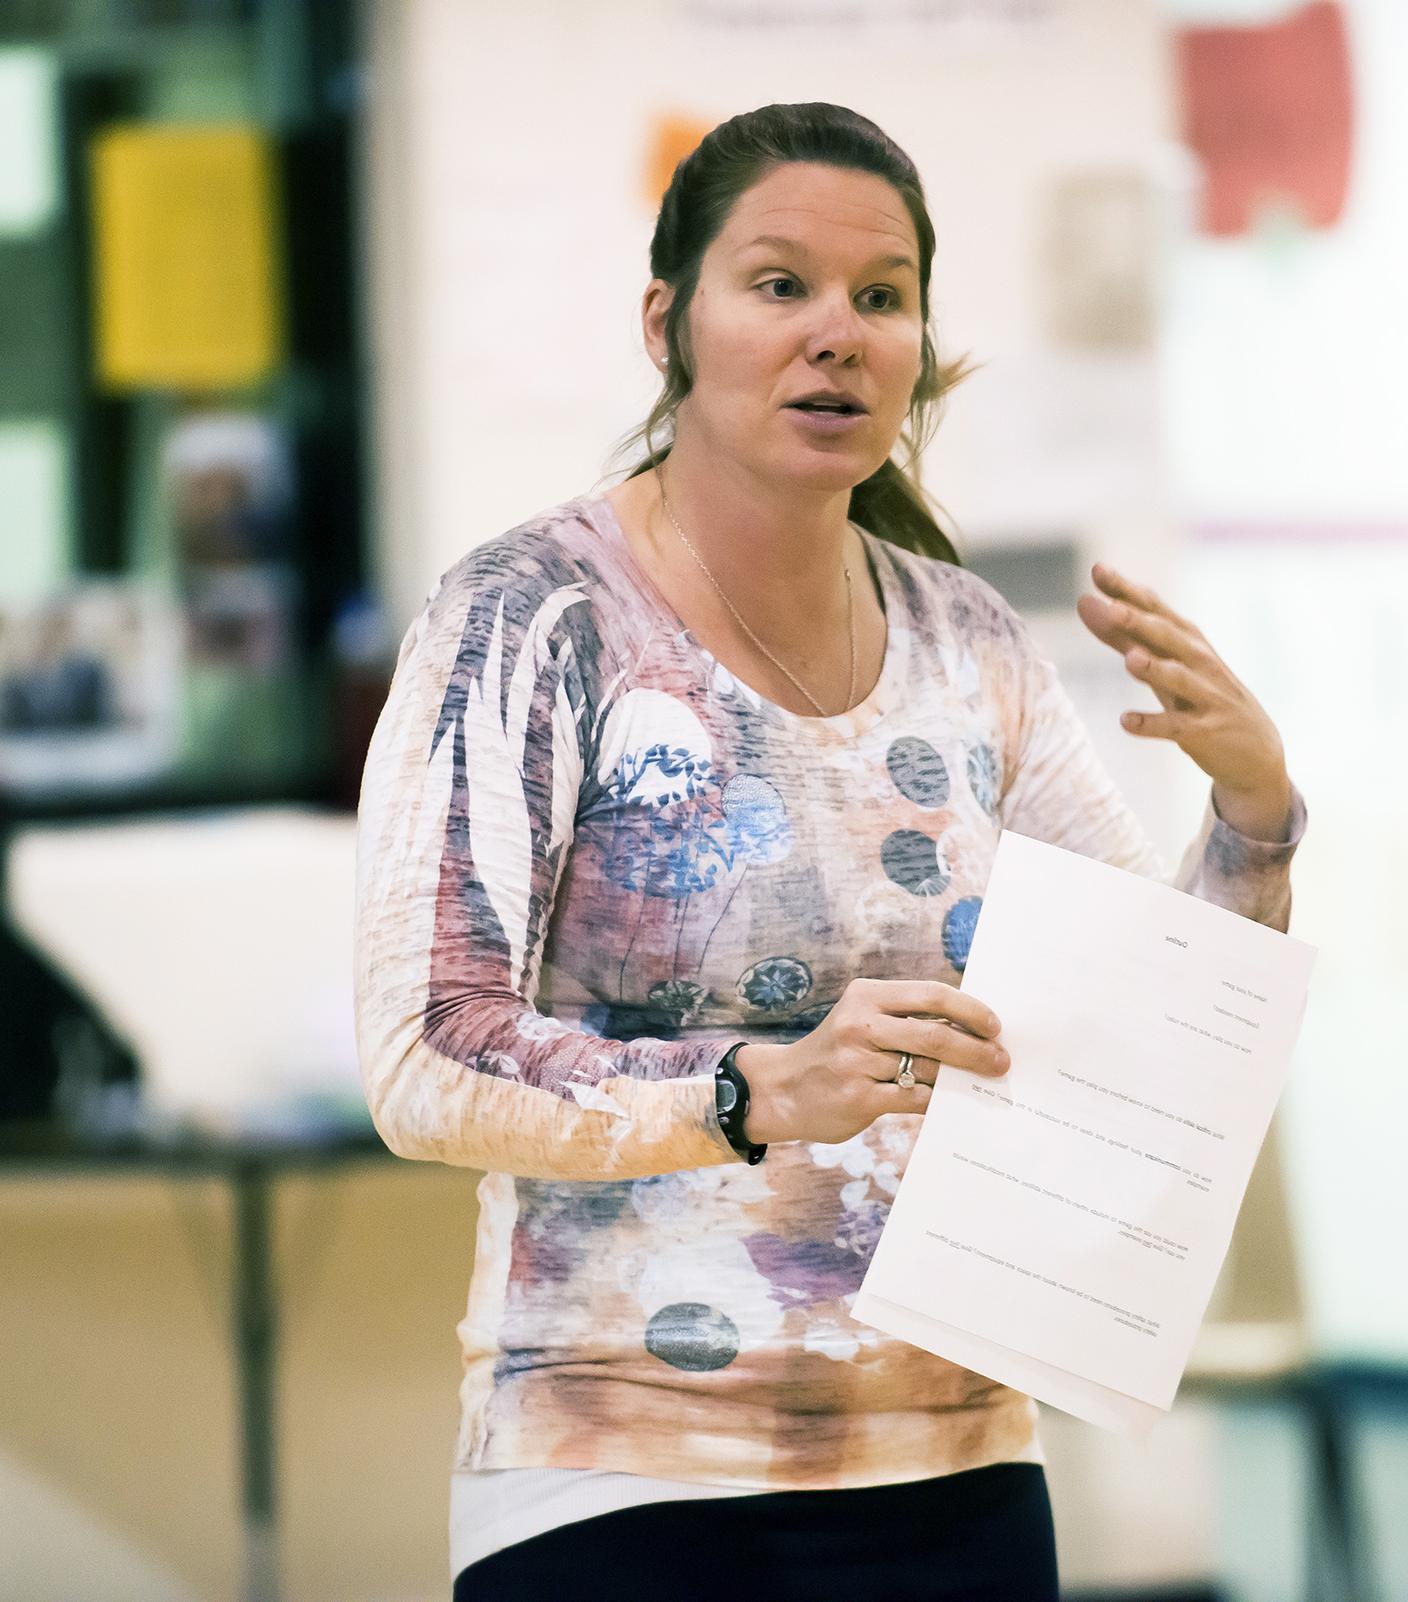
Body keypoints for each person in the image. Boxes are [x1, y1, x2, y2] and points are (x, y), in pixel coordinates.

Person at [353, 102, 1304, 1602]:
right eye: (779, 284)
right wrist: (743, 1091)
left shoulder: (966, 637)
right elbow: (424, 1052)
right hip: (618, 1464)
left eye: (881, 296)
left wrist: (1253, 822)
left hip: (958, 1457)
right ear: (670, 321)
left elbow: (1137, 1028)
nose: (838, 334)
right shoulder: (536, 613)